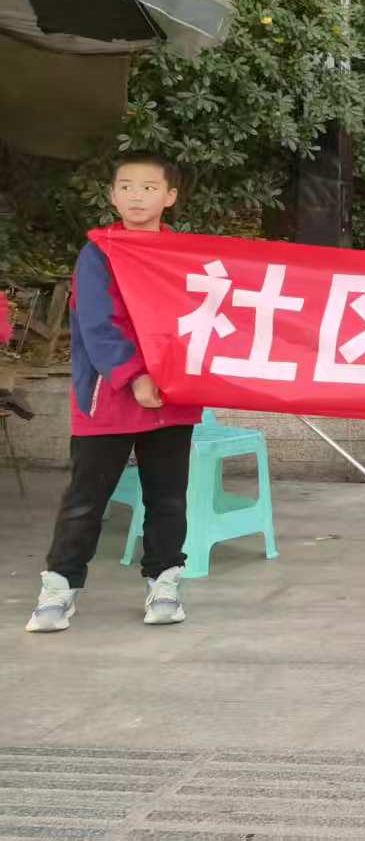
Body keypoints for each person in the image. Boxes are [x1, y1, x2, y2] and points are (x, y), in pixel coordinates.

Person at [27, 152, 201, 634]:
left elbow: (201, 317)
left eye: (149, 187)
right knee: (86, 499)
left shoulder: (184, 254)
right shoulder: (98, 253)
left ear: (170, 197)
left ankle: (164, 583)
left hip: (171, 397)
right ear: (112, 195)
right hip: (108, 396)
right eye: (126, 186)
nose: (136, 196)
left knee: (168, 498)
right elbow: (97, 324)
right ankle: (59, 588)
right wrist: (134, 376)